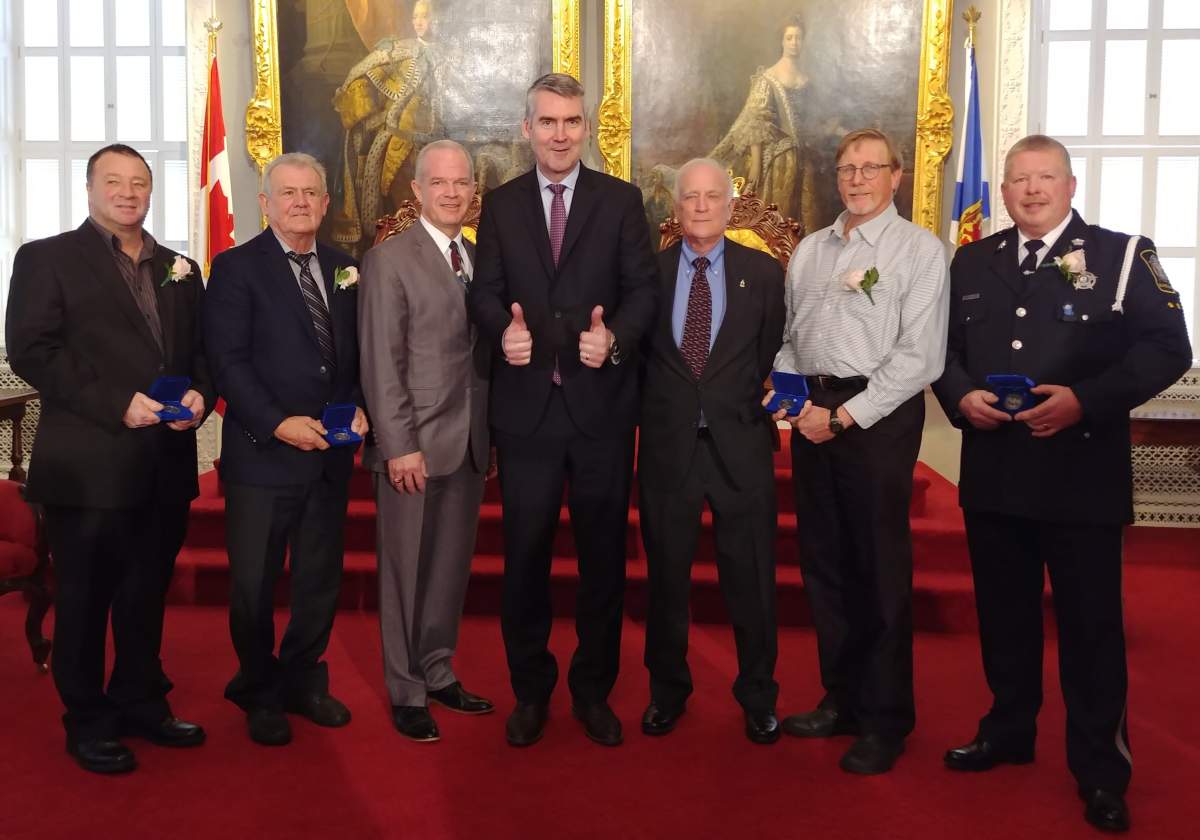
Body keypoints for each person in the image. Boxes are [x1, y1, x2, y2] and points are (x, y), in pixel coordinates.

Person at [931, 134, 1191, 833]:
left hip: (1080, 477)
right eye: (1019, 179)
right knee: (1005, 621)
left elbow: (1170, 348)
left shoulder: (1120, 255)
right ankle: (1009, 730)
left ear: (1071, 185)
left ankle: (1102, 769)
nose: (1032, 190)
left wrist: (1087, 399)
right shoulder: (972, 260)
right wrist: (961, 398)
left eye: (1046, 177)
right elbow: (941, 351)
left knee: (1090, 630)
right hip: (995, 473)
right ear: (1006, 190)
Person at [6, 143, 211, 774]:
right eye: (114, 182)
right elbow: (31, 350)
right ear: (90, 188)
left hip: (164, 464)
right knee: (86, 599)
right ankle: (88, 720)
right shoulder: (47, 258)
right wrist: (116, 403)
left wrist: (202, 388)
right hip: (90, 463)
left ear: (152, 191)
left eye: (139, 183)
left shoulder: (180, 267)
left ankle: (142, 702)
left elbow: (197, 349)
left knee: (146, 596)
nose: (128, 192)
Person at [467, 72, 658, 748]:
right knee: (525, 562)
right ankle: (530, 691)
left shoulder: (622, 201)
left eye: (571, 121)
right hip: (526, 417)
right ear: (527, 128)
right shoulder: (501, 204)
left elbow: (642, 293)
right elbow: (485, 292)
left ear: (586, 127)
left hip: (601, 410)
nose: (559, 133)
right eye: (547, 121)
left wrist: (615, 342)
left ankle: (592, 691)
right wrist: (502, 332)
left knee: (604, 561)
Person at [769, 128, 949, 774]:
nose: (856, 178)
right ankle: (840, 700)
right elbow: (792, 339)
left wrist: (842, 418)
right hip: (814, 416)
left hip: (874, 419)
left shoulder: (919, 251)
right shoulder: (812, 250)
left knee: (878, 572)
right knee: (826, 568)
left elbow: (919, 358)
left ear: (896, 177)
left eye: (871, 167)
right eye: (846, 168)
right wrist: (792, 401)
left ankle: (885, 719)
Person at [204, 152, 368, 747]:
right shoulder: (235, 269)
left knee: (318, 579)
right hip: (262, 457)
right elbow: (228, 363)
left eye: (311, 193)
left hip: (328, 456)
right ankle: (258, 687)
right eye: (288, 193)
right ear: (265, 204)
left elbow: (350, 356)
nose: (300, 203)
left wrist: (353, 404)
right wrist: (278, 424)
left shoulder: (347, 268)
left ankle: (304, 680)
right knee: (254, 584)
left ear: (326, 203)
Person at [637, 158, 785, 743]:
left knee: (751, 581)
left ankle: (758, 696)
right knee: (666, 581)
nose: (700, 206)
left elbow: (773, 353)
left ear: (731, 204)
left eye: (711, 196)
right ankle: (667, 692)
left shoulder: (765, 274)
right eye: (689, 197)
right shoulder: (647, 276)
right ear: (675, 207)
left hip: (740, 448)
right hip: (670, 451)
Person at [358, 139, 494, 742]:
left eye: (461, 183)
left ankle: (437, 670)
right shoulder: (389, 259)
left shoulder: (480, 257)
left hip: (468, 446)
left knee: (447, 571)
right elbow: (381, 363)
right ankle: (406, 689)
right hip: (412, 446)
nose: (451, 193)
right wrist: (397, 445)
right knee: (404, 571)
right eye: (438, 183)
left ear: (473, 191)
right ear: (416, 190)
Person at [332, 0, 440, 253]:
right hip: (399, 140)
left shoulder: (449, 55)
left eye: (425, 16)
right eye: (416, 17)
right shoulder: (400, 50)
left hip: (437, 142)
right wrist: (348, 90)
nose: (419, 22)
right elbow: (363, 69)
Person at [709, 14, 819, 232]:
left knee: (803, 222)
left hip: (802, 161)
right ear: (781, 41)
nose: (794, 43)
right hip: (778, 162)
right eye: (789, 38)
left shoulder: (807, 80)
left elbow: (811, 121)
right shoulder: (768, 77)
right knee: (776, 221)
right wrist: (757, 165)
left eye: (798, 37)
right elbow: (756, 122)